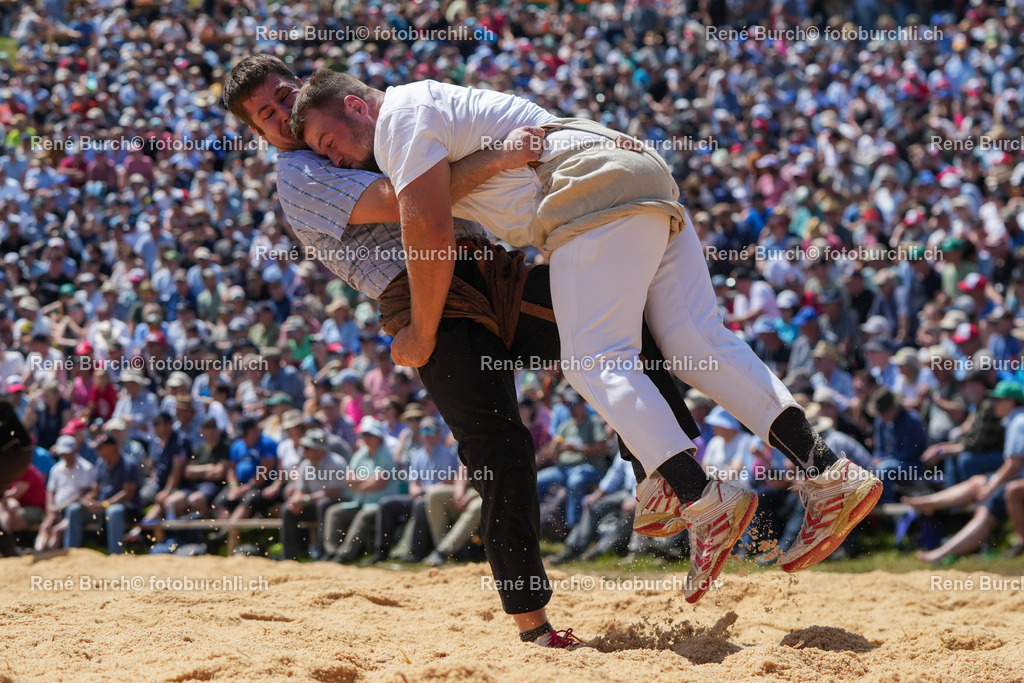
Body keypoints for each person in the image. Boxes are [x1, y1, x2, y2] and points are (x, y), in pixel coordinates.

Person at [290, 71, 882, 601]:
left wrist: (420, 331)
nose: (335, 160)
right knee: (698, 344)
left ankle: (704, 501)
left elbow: (426, 223)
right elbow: (452, 185)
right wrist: (495, 160)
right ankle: (828, 473)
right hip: (632, 167)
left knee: (594, 359)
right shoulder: (429, 107)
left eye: (328, 143)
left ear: (356, 106)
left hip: (582, 188)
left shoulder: (397, 119)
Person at [222, 55, 702, 645]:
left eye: (284, 95)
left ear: (307, 86)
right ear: (260, 134)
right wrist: (499, 157)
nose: (283, 117)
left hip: (492, 273)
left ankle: (667, 479)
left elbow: (427, 190)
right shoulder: (301, 172)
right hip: (430, 301)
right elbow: (413, 208)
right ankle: (534, 624)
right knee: (499, 448)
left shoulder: (356, 130)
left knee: (627, 324)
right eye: (267, 115)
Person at [64, 433, 141, 555]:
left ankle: (115, 554)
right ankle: (71, 553)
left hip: (125, 509)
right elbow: (95, 490)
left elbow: (128, 494)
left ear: (111, 447)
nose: (97, 451)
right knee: (74, 509)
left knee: (113, 511)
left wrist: (104, 504)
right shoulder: (101, 464)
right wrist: (87, 501)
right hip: (102, 507)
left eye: (100, 447)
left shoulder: (129, 464)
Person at [280, 428, 347, 561]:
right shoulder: (306, 464)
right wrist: (297, 500)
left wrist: (304, 500)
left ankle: (322, 552)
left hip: (339, 503)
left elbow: (333, 493)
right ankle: (290, 555)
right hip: (315, 503)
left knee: (324, 505)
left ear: (319, 450)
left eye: (307, 447)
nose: (303, 450)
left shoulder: (336, 463)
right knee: (288, 509)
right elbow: (301, 489)